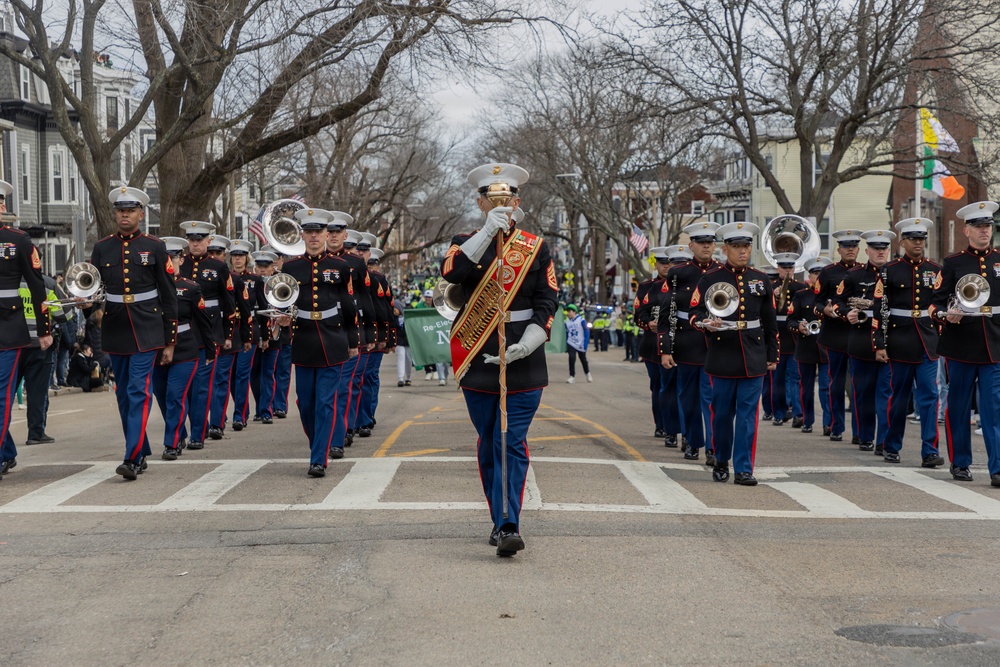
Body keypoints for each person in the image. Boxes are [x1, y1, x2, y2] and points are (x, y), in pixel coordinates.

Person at [441, 163, 558, 557]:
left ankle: (509, 524)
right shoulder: (464, 241)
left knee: (511, 440)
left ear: (517, 202)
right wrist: (488, 232)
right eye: (492, 200)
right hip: (478, 353)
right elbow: (453, 273)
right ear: (479, 203)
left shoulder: (536, 247)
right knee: (490, 441)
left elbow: (548, 299)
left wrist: (531, 340)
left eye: (506, 200)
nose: (500, 205)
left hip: (524, 355)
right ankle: (498, 518)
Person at [90, 186, 178, 480]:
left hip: (147, 327)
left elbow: (168, 296)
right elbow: (92, 290)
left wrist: (170, 340)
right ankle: (140, 451)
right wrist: (86, 303)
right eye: (120, 210)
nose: (124, 215)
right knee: (123, 395)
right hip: (115, 327)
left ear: (141, 214)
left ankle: (130, 457)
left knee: (138, 391)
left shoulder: (154, 247)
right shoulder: (102, 248)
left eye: (130, 210)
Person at [689, 222, 778, 486]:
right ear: (725, 248)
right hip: (722, 355)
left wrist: (773, 355)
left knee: (749, 416)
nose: (742, 251)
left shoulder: (760, 279)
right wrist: (703, 322)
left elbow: (770, 320)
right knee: (723, 414)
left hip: (753, 356)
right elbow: (694, 312)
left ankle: (743, 468)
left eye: (746, 246)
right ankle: (721, 459)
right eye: (737, 246)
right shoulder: (710, 279)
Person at [280, 208, 359, 476]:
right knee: (305, 403)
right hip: (303, 339)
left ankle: (318, 458)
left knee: (325, 402)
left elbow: (348, 306)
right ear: (302, 235)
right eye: (309, 232)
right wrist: (282, 320)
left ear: (327, 234)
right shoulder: (290, 267)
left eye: (319, 232)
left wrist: (353, 340)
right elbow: (284, 303)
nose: (314, 237)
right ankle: (319, 444)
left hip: (332, 338)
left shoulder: (340, 267)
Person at [930, 200, 1000, 484]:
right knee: (958, 407)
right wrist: (949, 316)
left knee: (994, 408)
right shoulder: (953, 263)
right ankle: (960, 463)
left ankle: (997, 468)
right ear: (966, 230)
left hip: (994, 344)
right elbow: (934, 305)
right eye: (979, 226)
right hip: (960, 345)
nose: (985, 231)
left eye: (988, 226)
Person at [873, 218, 944, 467]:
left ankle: (930, 451)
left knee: (930, 396)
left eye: (921, 239)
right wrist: (879, 344)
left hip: (927, 340)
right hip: (899, 340)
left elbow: (940, 304)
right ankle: (891, 445)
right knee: (899, 398)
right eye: (913, 239)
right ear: (902, 241)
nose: (918, 243)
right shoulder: (890, 270)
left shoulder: (935, 270)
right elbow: (880, 309)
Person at [0, 179, 52, 477]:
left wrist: (44, 330)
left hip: (8, 328)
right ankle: (6, 451)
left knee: (1, 395)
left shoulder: (18, 241)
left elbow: (37, 288)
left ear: (3, 207)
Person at [660, 222, 721, 465]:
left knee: (711, 399)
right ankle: (694, 441)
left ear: (715, 245)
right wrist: (665, 349)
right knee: (688, 399)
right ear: (691, 246)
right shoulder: (679, 273)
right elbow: (668, 313)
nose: (706, 246)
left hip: (714, 345)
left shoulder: (723, 271)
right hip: (686, 343)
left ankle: (713, 447)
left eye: (710, 242)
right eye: (701, 242)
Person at [151, 237, 215, 460]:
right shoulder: (152, 288)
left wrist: (210, 349)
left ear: (180, 259)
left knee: (174, 396)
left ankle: (172, 443)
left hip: (185, 348)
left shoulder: (190, 288)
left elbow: (204, 320)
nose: (170, 262)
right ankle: (180, 431)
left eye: (174, 257)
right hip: (157, 347)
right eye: (166, 258)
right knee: (161, 395)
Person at [833, 229, 895, 454]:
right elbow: (837, 302)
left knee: (886, 394)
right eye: (876, 248)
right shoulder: (855, 276)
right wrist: (846, 312)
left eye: (884, 248)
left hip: (889, 342)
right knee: (863, 394)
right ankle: (866, 436)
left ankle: (884, 440)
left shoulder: (896, 273)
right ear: (867, 250)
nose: (880, 252)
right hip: (862, 340)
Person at [177, 220, 236, 450]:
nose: (195, 243)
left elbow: (229, 303)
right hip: (183, 330)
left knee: (202, 386)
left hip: (209, 331)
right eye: (191, 240)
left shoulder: (218, 267)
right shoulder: (178, 263)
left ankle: (198, 435)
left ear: (208, 241)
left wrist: (227, 334)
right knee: (182, 387)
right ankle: (179, 433)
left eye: (199, 239)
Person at [327, 216, 376, 447]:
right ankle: (329, 427)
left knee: (344, 384)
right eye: (330, 231)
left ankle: (344, 428)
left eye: (339, 231)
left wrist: (367, 335)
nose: (334, 235)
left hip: (348, 327)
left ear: (345, 235)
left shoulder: (356, 262)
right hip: (322, 330)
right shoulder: (313, 261)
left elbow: (365, 300)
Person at [814, 229, 865, 442]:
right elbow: (816, 301)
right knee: (835, 384)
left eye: (853, 246)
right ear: (839, 249)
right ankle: (836, 426)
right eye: (846, 246)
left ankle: (860, 431)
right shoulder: (828, 272)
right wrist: (823, 311)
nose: (850, 249)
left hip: (860, 334)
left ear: (859, 248)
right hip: (835, 334)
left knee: (858, 384)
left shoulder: (866, 271)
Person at [636, 247, 681, 445]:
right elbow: (638, 314)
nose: (667, 267)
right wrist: (648, 324)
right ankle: (661, 424)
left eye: (670, 263)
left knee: (673, 387)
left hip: (676, 344)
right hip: (652, 345)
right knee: (658, 387)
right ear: (656, 265)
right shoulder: (646, 287)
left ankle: (676, 426)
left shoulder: (681, 285)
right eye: (663, 263)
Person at [787, 256, 833, 435]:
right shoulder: (801, 296)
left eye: (821, 273)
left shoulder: (833, 297)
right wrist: (798, 327)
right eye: (815, 273)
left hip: (826, 347)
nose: (818, 276)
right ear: (810, 276)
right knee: (806, 388)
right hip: (806, 347)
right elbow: (790, 320)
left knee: (825, 387)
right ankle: (807, 420)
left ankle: (828, 423)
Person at [229, 239, 266, 431]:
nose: (237, 259)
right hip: (230, 329)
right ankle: (242, 409)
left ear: (246, 258)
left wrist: (265, 336)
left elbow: (263, 308)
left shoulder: (255, 280)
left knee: (243, 374)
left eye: (240, 256)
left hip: (249, 328)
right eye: (234, 256)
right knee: (232, 375)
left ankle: (239, 415)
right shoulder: (224, 277)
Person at [769, 253, 807, 427]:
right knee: (777, 379)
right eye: (784, 268)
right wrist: (774, 297)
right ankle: (778, 413)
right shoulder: (770, 287)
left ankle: (798, 412)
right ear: (778, 269)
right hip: (777, 336)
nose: (788, 271)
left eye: (790, 268)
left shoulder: (800, 287)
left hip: (793, 338)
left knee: (794, 377)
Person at [250, 250, 283, 424]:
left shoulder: (279, 285)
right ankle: (259, 407)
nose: (263, 270)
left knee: (268, 373)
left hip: (273, 332)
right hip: (255, 332)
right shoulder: (249, 284)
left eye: (266, 267)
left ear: (273, 268)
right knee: (254, 373)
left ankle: (266, 410)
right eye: (260, 267)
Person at [564, 304, 591, 383]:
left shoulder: (581, 320)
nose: (568, 313)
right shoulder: (567, 322)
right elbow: (566, 333)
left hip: (580, 343)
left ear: (574, 312)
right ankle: (572, 376)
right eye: (568, 312)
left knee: (583, 359)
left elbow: (586, 331)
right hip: (571, 342)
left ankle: (587, 373)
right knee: (571, 358)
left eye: (570, 311)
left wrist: (585, 343)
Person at [393, 295, 412, 386]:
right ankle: (400, 378)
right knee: (401, 357)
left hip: (408, 341)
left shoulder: (408, 317)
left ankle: (408, 377)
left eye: (395, 309)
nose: (393, 311)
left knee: (408, 359)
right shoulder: (393, 319)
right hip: (399, 341)